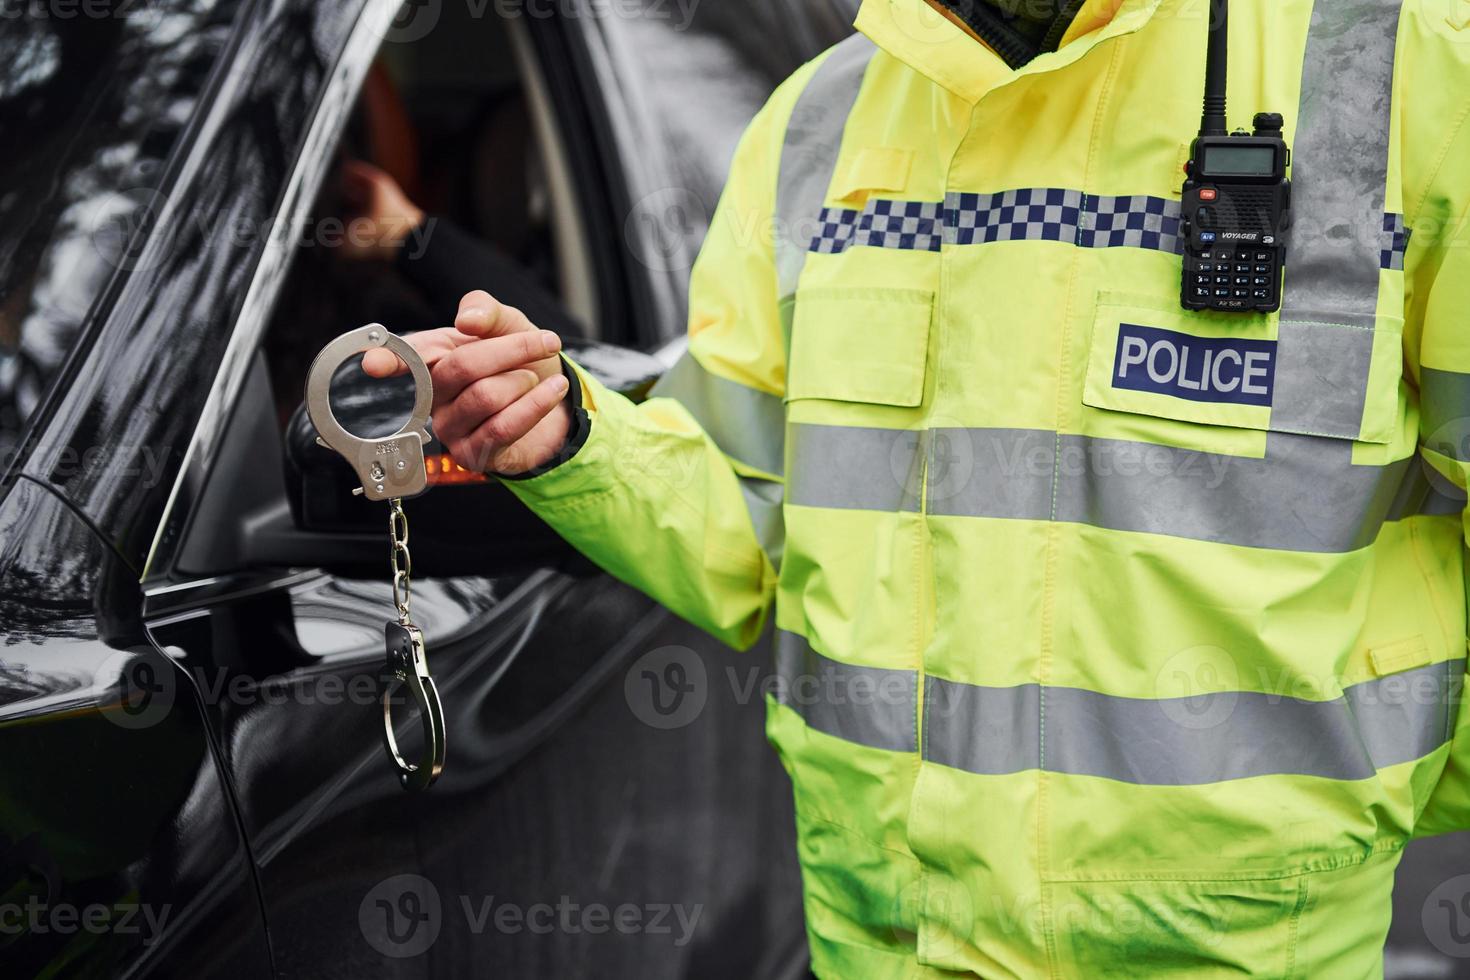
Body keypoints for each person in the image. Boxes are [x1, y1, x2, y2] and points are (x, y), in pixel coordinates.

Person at [367, 0, 1470, 974]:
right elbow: (743, 515)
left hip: (1243, 946)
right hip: (883, 936)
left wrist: (1361, 807)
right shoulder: (817, 124)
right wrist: (571, 434)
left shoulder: (1410, 66)